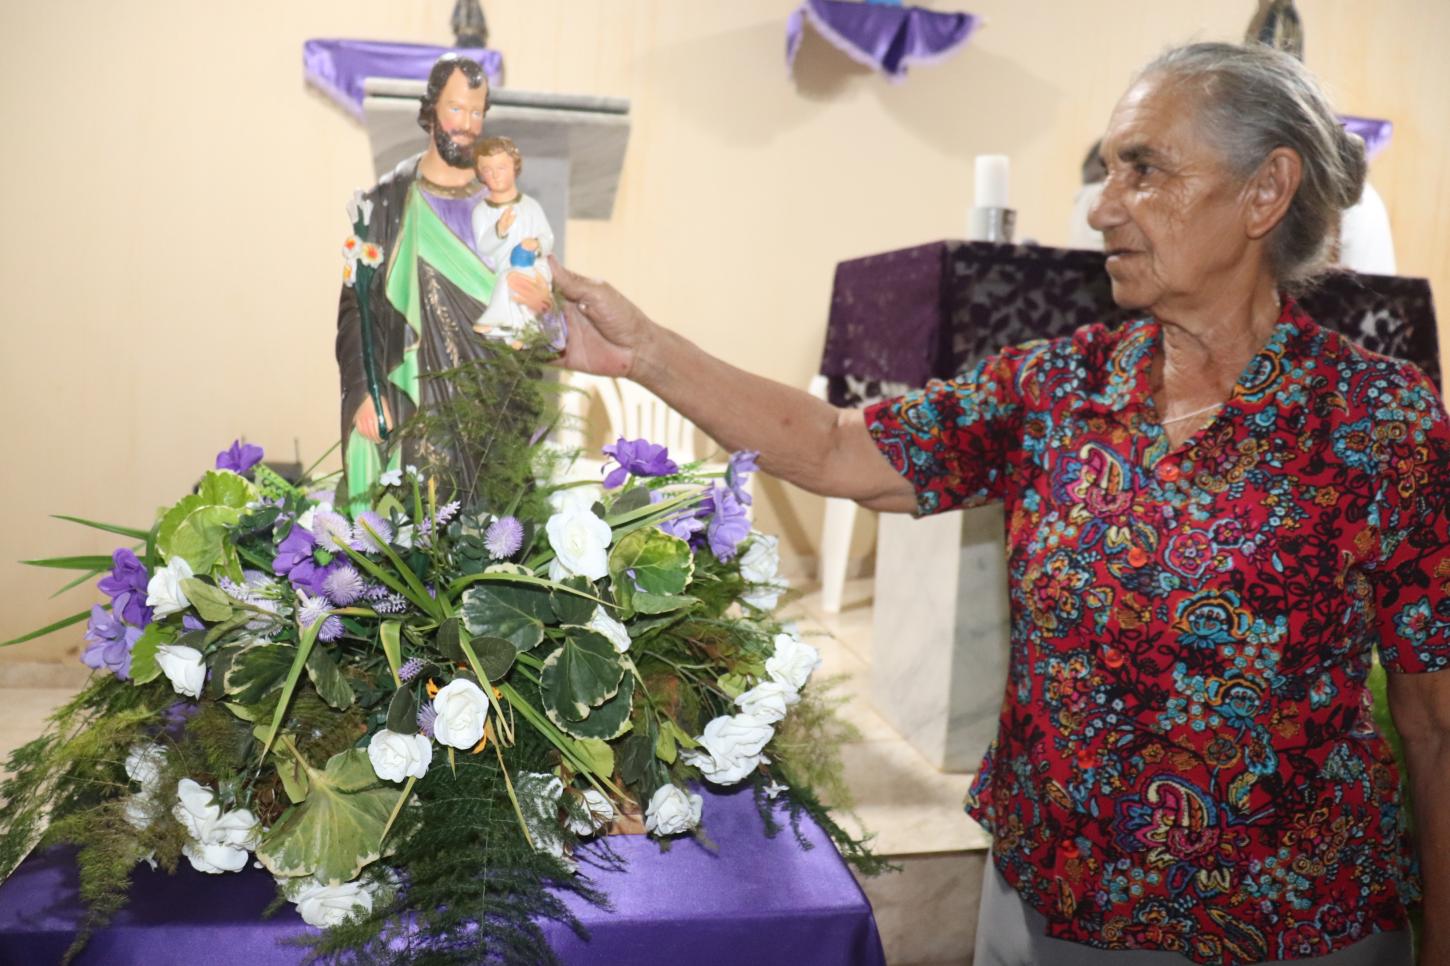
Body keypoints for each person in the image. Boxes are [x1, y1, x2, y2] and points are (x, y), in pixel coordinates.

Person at [550, 42, 1449, 965]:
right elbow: (833, 446)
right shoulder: (1059, 387)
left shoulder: (1379, 422)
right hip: (1050, 910)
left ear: (1266, 192)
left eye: (1143, 170)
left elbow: (1432, 719)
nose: (1103, 207)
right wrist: (642, 352)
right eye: (1107, 171)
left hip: (1291, 922)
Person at [335, 54, 550, 505]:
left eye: (477, 112)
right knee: (415, 532)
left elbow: (539, 308)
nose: (467, 125)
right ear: (431, 108)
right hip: (415, 405)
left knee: (488, 534)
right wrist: (363, 392)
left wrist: (544, 309)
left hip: (489, 407)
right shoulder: (387, 205)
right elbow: (356, 308)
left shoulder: (508, 210)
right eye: (456, 109)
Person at [470, 136, 557, 347]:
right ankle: (518, 336)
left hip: (535, 267)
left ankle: (500, 324)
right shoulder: (482, 211)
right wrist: (499, 230)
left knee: (513, 282)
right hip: (502, 270)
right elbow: (483, 247)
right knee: (508, 283)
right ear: (480, 174)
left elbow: (548, 239)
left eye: (501, 167)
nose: (495, 175)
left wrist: (536, 244)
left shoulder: (530, 206)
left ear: (514, 167)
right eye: (487, 170)